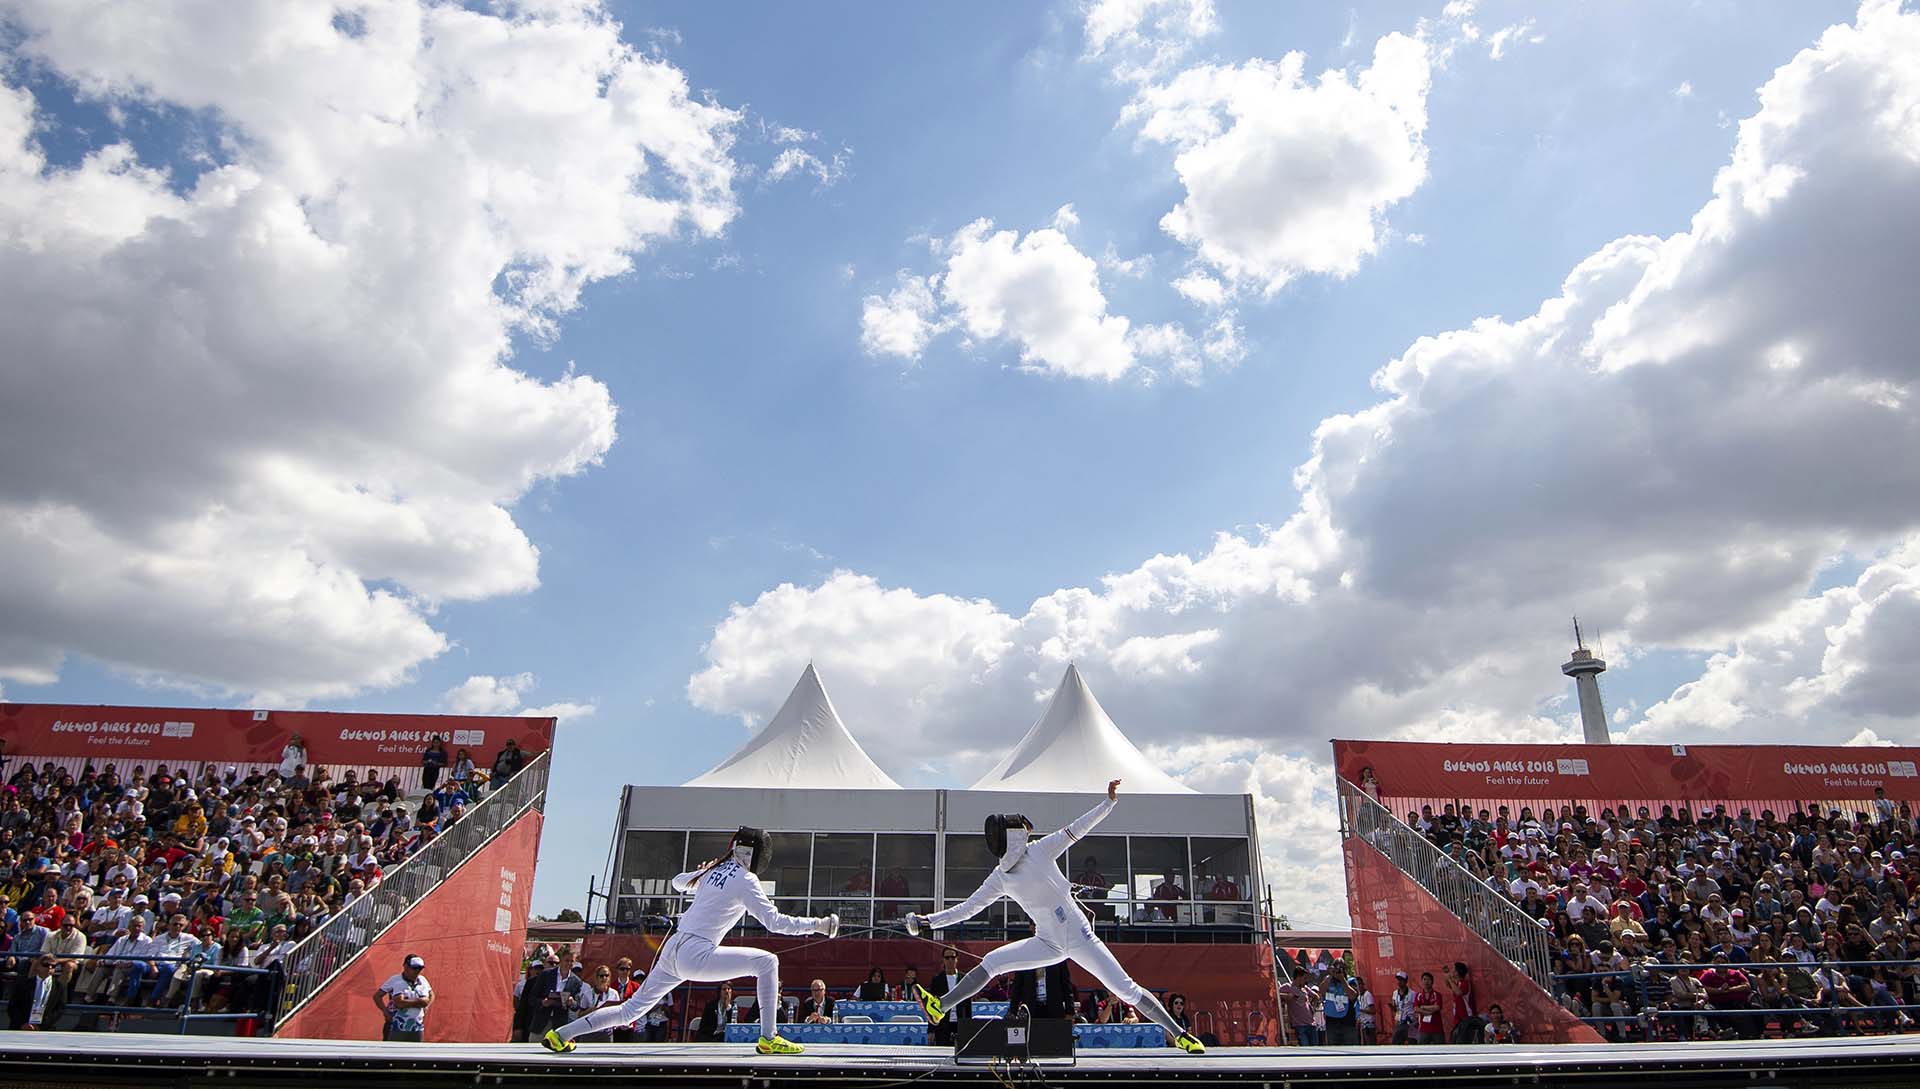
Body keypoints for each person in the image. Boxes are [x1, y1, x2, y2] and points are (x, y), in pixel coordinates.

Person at [905, 780, 1207, 1056]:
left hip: (1081, 938)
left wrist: (1108, 803)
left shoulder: (1039, 851)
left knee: (1126, 989)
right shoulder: (1002, 877)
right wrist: (928, 921)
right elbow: (968, 908)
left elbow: (1078, 828)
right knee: (993, 962)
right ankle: (940, 1005)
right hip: (1047, 942)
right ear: (1011, 837)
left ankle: (1180, 1034)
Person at [542, 827, 840, 1056]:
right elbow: (775, 922)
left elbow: (677, 882)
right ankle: (768, 1038)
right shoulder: (746, 881)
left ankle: (561, 1035)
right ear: (757, 854)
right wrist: (821, 925)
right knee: (767, 962)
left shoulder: (714, 871)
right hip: (697, 954)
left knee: (631, 1010)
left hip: (673, 948)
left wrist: (703, 870)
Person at [374, 953, 433, 1041]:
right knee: (392, 1051)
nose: (417, 971)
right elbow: (378, 996)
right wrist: (385, 1011)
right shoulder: (395, 980)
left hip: (416, 1026)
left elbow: (431, 994)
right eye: (414, 968)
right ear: (405, 966)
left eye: (419, 968)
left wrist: (426, 1006)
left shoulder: (423, 980)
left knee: (414, 1052)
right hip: (396, 1024)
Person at [927, 946, 972, 1045]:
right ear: (943, 960)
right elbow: (931, 1007)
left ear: (957, 959)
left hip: (960, 1024)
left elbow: (968, 1005)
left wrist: (969, 1028)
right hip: (942, 1025)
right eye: (947, 958)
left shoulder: (964, 979)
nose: (950, 960)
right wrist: (931, 1030)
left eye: (952, 957)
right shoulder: (937, 980)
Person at [8, 955, 65, 1030]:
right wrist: (23, 1024)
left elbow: (59, 1009)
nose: (50, 967)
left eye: (53, 966)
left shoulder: (59, 987)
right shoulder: (24, 984)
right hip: (21, 1027)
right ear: (38, 966)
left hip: (45, 1029)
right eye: (46, 965)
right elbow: (13, 1006)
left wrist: (41, 1026)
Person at [1007, 961, 1076, 1020]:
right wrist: (1013, 1011)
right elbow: (1017, 987)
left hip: (1054, 1009)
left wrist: (1070, 1011)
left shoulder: (1057, 958)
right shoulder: (1024, 960)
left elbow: (1066, 985)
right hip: (1031, 1009)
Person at [1440, 962, 1480, 1044]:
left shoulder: (1465, 983)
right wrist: (1446, 974)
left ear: (1458, 972)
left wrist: (1450, 979)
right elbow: (1448, 984)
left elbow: (1458, 992)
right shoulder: (1457, 983)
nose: (1452, 972)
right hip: (1458, 1018)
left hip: (1466, 1017)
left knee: (1464, 1040)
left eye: (1454, 971)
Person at [1322, 961, 1357, 1044]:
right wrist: (1330, 975)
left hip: (1347, 1022)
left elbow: (1353, 996)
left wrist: (1342, 980)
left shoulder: (1350, 981)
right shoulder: (1328, 980)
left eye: (1340, 968)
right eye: (1336, 968)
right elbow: (1321, 991)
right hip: (1331, 1022)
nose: (1338, 971)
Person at [1413, 972, 1444, 1045]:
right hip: (1423, 1028)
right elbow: (1416, 1009)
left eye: (1428, 980)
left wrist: (1423, 1007)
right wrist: (1428, 1012)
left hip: (1437, 1028)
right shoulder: (1418, 995)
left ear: (1432, 982)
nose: (1426, 982)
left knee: (1440, 1050)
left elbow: (1437, 1007)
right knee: (1422, 1051)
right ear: (1421, 981)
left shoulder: (1437, 994)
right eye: (1424, 979)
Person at [1389, 970, 1416, 1044]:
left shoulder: (1412, 994)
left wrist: (1415, 1020)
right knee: (1395, 1042)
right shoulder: (1395, 993)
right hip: (1399, 1022)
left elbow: (1416, 1008)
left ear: (1406, 981)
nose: (1399, 982)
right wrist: (1392, 1007)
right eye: (1398, 980)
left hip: (1409, 1023)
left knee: (1411, 1042)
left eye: (1401, 980)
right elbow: (1396, 1009)